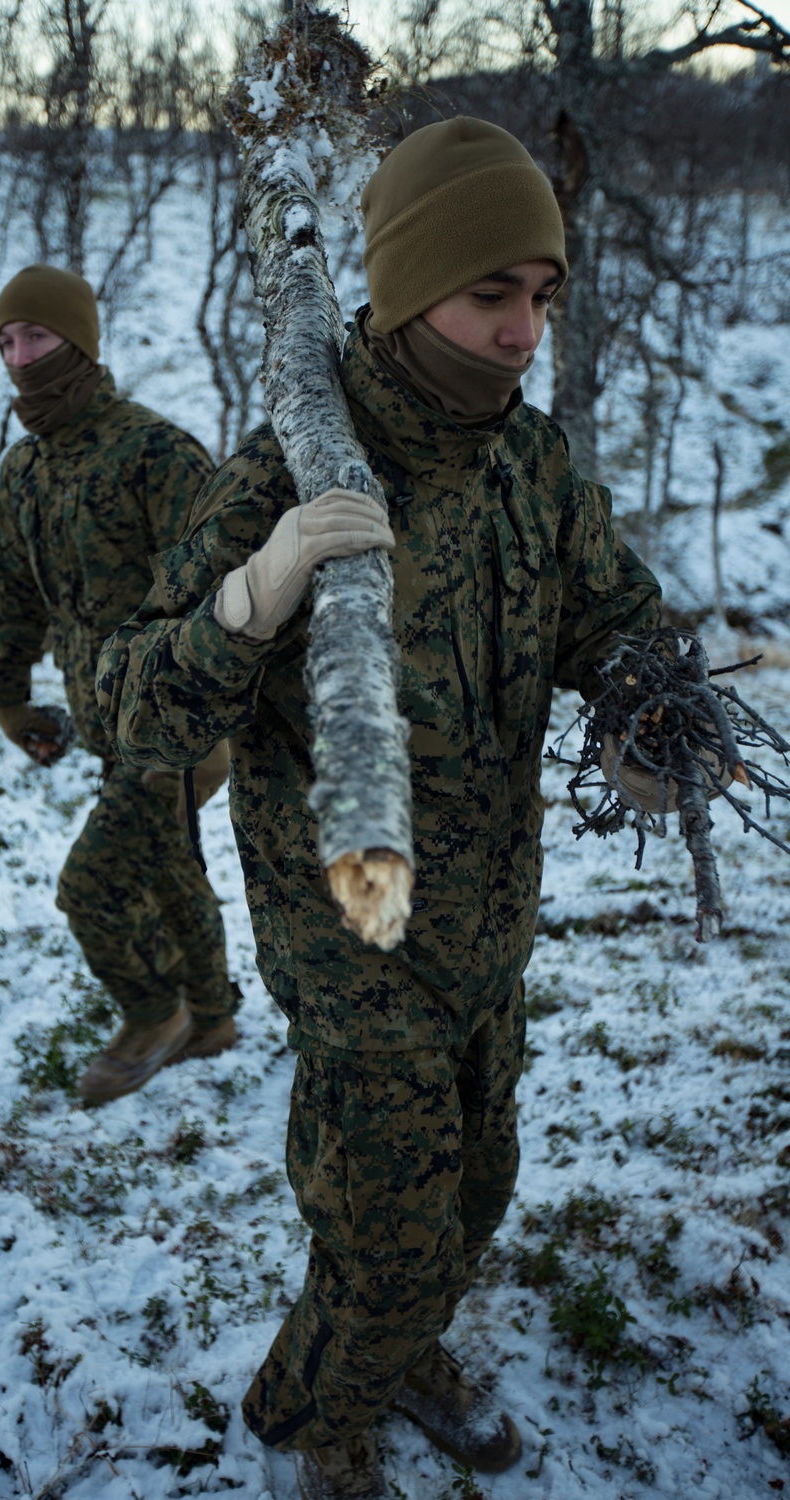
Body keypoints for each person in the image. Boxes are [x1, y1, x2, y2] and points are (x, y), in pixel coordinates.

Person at [96, 119, 663, 1497]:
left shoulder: (531, 466)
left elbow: (616, 619)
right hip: (356, 961)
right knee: (386, 1237)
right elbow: (131, 709)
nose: (526, 332)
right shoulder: (290, 470)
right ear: (410, 289)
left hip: (492, 937)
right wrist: (255, 595)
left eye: (544, 296)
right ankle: (314, 1422)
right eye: (492, 296)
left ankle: (399, 1353)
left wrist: (652, 712)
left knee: (477, 1191)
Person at [0, 263, 239, 1104]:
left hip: (177, 726)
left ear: (81, 343)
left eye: (39, 336)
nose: (22, 356)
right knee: (168, 867)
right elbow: (18, 596)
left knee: (90, 887)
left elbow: (224, 596)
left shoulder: (155, 453)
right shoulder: (24, 470)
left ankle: (152, 1013)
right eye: (8, 341)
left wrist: (191, 721)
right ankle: (210, 1017)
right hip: (104, 724)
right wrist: (8, 695)